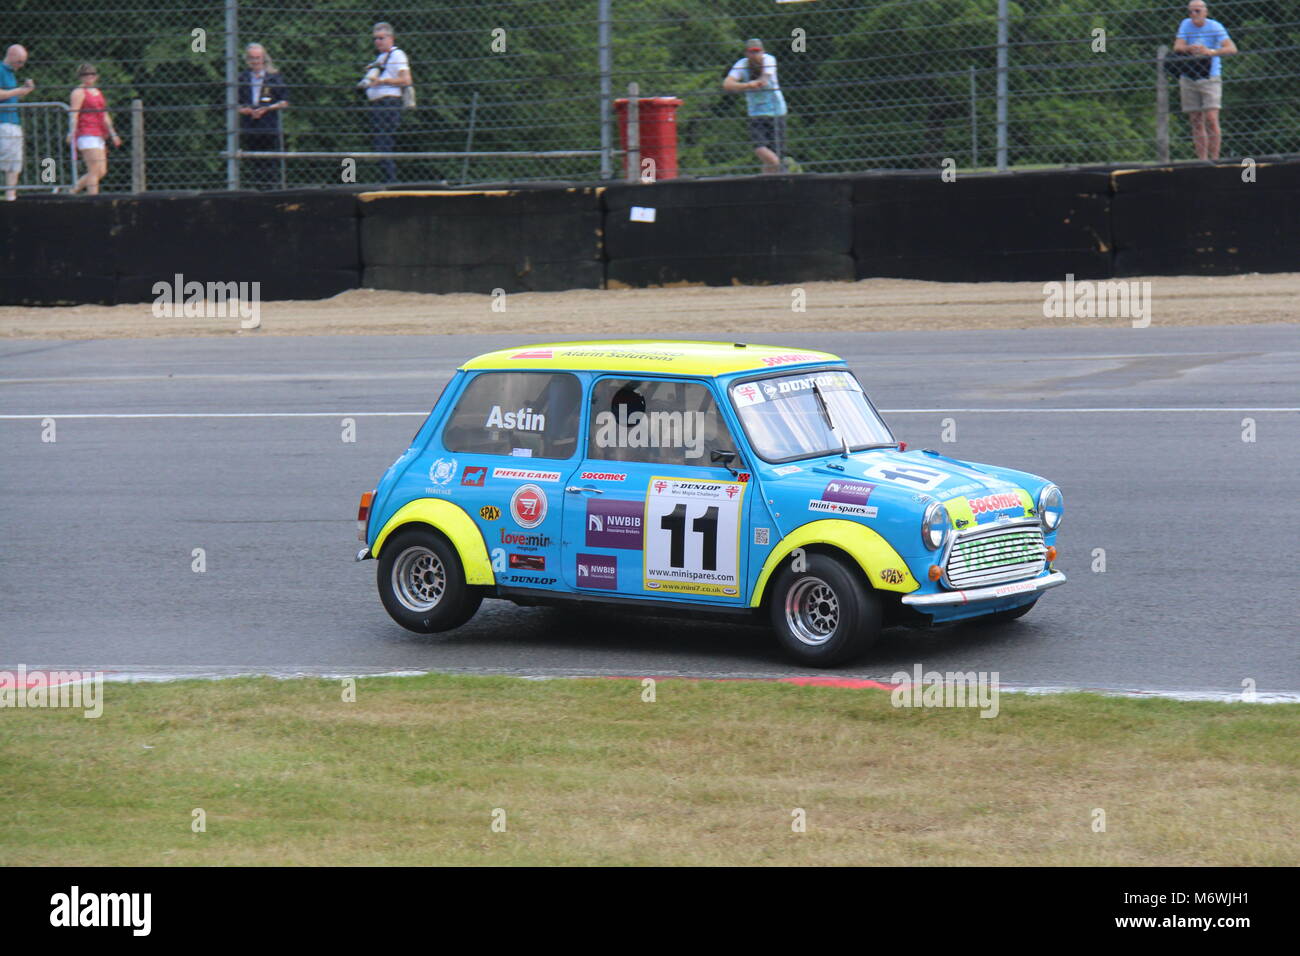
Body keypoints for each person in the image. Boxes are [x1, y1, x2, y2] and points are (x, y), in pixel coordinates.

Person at [1174, 1, 1236, 160]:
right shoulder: (1186, 25)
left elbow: (1231, 48)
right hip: (1189, 75)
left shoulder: (1215, 27)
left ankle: (1214, 158)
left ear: (1205, 12)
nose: (1194, 15)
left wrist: (1210, 51)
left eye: (1197, 11)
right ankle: (1201, 159)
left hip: (1210, 75)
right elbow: (1178, 46)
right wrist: (1189, 48)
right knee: (1196, 119)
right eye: (1190, 12)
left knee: (1211, 117)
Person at [722, 38, 788, 175]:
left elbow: (764, 80)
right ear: (746, 53)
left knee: (775, 153)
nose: (755, 55)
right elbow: (727, 84)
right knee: (761, 149)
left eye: (757, 52)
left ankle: (770, 179)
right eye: (751, 52)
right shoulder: (741, 64)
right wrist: (747, 85)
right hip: (756, 113)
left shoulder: (769, 60)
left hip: (776, 112)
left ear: (762, 52)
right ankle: (779, 169)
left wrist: (754, 84)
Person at [362, 21, 410, 185]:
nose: (378, 42)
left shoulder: (397, 55)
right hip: (378, 105)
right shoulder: (381, 58)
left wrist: (381, 81)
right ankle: (388, 180)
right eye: (375, 39)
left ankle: (392, 181)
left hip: (388, 104)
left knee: (383, 144)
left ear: (391, 38)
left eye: (381, 38)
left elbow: (406, 80)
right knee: (380, 145)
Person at [237, 43, 289, 189]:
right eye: (252, 58)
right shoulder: (242, 78)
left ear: (264, 58)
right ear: (247, 59)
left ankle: (273, 189)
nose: (255, 61)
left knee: (271, 160)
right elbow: (234, 103)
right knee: (254, 161)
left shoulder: (273, 77)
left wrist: (267, 108)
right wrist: (245, 110)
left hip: (269, 124)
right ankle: (257, 189)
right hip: (250, 124)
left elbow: (284, 102)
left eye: (258, 57)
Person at [67, 64, 122, 196]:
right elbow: (74, 113)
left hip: (99, 134)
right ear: (80, 77)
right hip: (86, 133)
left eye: (92, 74)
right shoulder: (79, 92)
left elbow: (104, 114)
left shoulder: (97, 92)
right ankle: (93, 199)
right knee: (94, 169)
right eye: (86, 74)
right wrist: (71, 132)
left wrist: (113, 133)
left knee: (101, 171)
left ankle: (71, 191)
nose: (89, 77)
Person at [0, 44, 36, 201]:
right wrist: (19, 91)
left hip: (13, 121)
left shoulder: (11, 74)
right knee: (5, 158)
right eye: (20, 61)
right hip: (3, 122)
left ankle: (10, 196)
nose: (21, 65)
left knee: (15, 161)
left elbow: (11, 97)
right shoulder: (1, 70)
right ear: (11, 55)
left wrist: (24, 91)